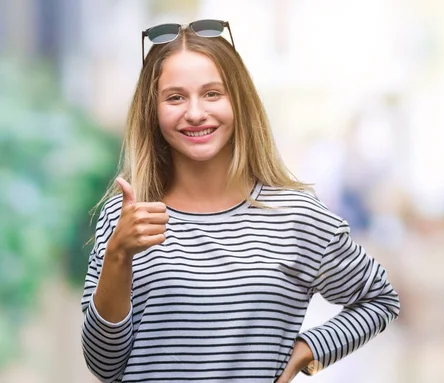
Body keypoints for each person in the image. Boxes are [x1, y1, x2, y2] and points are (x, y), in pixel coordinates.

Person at [80, 19, 400, 383]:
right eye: (175, 97)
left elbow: (379, 301)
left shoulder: (296, 216)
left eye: (213, 93)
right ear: (152, 112)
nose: (196, 112)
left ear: (239, 101)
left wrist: (305, 354)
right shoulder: (127, 217)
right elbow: (103, 365)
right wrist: (118, 256)